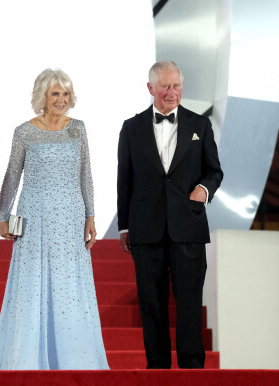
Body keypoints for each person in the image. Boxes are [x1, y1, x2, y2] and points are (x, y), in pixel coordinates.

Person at [0, 69, 109, 370]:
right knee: (32, 286)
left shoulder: (78, 129)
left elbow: (86, 176)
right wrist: (3, 216)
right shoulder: (24, 132)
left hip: (71, 219)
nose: (61, 100)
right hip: (34, 219)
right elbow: (12, 176)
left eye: (65, 94)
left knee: (69, 290)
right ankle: (27, 361)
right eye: (55, 93)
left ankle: (73, 362)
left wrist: (91, 216)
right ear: (42, 95)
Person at [117, 61, 223, 369]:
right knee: (152, 302)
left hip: (187, 226)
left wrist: (204, 189)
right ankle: (157, 368)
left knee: (189, 300)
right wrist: (124, 226)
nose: (171, 92)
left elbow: (214, 170)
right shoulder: (131, 127)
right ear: (150, 88)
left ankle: (192, 368)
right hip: (145, 228)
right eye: (165, 86)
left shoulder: (200, 125)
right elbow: (125, 180)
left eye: (176, 86)